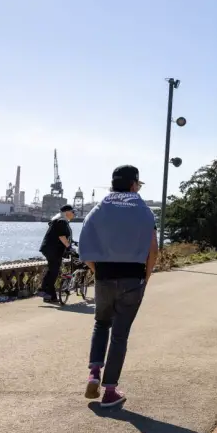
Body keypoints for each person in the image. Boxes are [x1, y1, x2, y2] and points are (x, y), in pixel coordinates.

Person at [78, 165, 158, 408]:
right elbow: (153, 251)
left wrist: (98, 271)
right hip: (133, 277)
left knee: (101, 323)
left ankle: (94, 372)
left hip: (104, 276)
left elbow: (84, 250)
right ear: (134, 185)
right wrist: (146, 276)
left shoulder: (98, 210)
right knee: (120, 334)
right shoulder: (144, 212)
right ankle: (110, 390)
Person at [38, 205, 76, 303]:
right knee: (53, 271)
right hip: (52, 249)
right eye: (73, 212)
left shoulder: (60, 220)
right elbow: (62, 236)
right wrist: (69, 247)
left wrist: (73, 242)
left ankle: (48, 295)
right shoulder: (61, 221)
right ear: (67, 212)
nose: (74, 214)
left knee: (53, 271)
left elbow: (64, 236)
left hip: (51, 249)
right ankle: (44, 291)